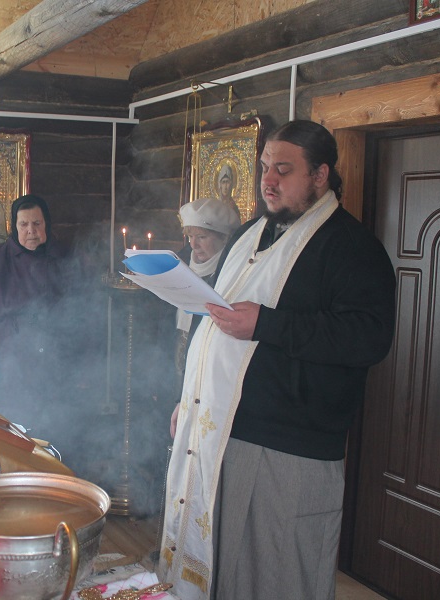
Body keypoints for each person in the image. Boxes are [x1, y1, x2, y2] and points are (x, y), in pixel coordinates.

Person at [157, 120, 396, 600]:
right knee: (219, 571)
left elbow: (367, 339)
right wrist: (190, 398)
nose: (268, 180)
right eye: (265, 167)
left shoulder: (352, 247)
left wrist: (267, 324)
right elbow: (213, 317)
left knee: (276, 576)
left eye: (283, 170)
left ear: (320, 175)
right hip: (218, 430)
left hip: (287, 446)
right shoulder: (249, 234)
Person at [0, 194, 70, 429]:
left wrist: (81, 372)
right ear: (14, 227)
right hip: (5, 370)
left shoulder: (66, 260)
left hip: (55, 369)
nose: (31, 231)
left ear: (46, 224)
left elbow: (81, 319)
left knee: (55, 434)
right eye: (24, 224)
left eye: (37, 223)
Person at [174, 197, 241, 379]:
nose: (193, 245)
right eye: (190, 237)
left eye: (202, 237)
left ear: (223, 238)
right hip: (176, 362)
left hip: (212, 365)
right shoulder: (180, 262)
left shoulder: (232, 272)